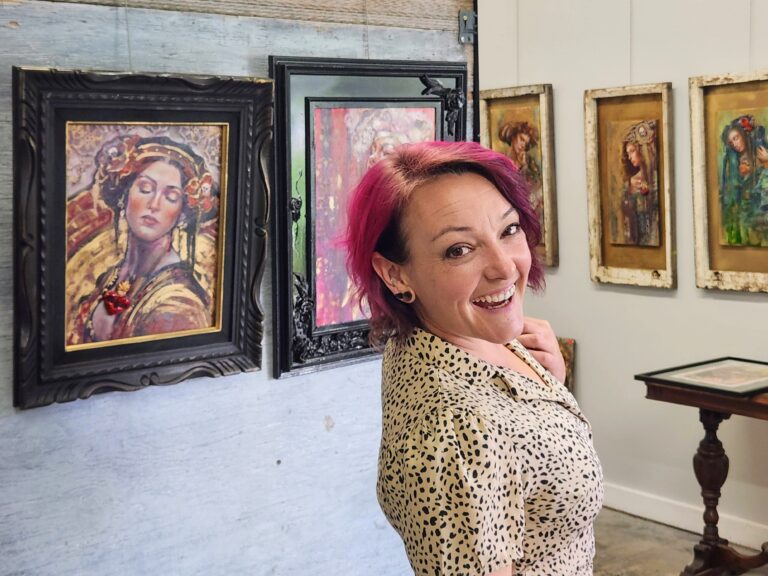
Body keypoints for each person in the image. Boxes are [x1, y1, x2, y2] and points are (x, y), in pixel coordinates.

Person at [344, 141, 603, 575]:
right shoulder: (458, 426)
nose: (504, 266)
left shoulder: (443, 337)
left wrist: (548, 381)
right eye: (459, 250)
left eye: (508, 230)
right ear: (395, 274)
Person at [66, 134, 218, 346]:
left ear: (182, 213)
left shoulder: (179, 304)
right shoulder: (113, 277)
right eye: (145, 189)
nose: (154, 204)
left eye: (171, 197)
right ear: (124, 196)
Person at [719, 115, 768, 246]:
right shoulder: (734, 164)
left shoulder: (761, 152)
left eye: (736, 138)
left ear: (744, 134)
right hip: (747, 222)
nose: (735, 144)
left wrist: (767, 162)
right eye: (731, 142)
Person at [617, 120, 659, 246]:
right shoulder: (631, 182)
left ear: (642, 149)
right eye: (628, 153)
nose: (629, 157)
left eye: (632, 151)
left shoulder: (656, 176)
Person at [498, 121, 544, 229]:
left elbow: (534, 187)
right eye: (521, 139)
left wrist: (524, 168)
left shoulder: (529, 163)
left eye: (526, 143)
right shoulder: (500, 159)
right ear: (513, 137)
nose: (523, 145)